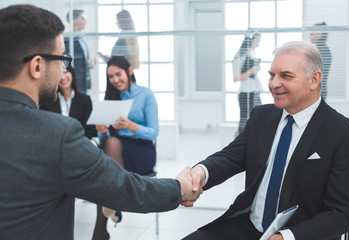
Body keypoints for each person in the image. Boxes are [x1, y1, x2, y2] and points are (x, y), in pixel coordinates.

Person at [0, 4, 199, 240]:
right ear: (36, 66)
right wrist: (178, 188)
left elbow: (150, 133)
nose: (64, 70)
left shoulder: (144, 95)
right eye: (62, 59)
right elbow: (122, 187)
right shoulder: (57, 134)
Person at [183, 41, 349, 240]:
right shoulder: (262, 116)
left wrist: (286, 237)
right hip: (248, 226)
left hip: (300, 234)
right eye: (271, 75)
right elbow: (230, 157)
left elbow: (341, 214)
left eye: (285, 76)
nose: (273, 84)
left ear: (314, 79)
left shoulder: (344, 134)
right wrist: (201, 171)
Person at [92, 55, 158, 239]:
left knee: (106, 169)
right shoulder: (111, 96)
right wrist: (102, 131)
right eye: (110, 77)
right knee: (109, 146)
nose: (115, 80)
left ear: (129, 71)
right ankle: (102, 227)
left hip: (141, 151)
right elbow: (105, 138)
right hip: (116, 150)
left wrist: (132, 127)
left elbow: (154, 132)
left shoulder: (145, 94)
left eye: (118, 74)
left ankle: (109, 211)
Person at [40, 65, 97, 139]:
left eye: (65, 72)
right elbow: (44, 128)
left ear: (72, 73)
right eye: (59, 74)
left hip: (78, 143)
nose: (63, 77)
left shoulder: (85, 100)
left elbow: (90, 130)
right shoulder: (47, 102)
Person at [232, 34, 263, 135]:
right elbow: (236, 78)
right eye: (256, 41)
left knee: (258, 117)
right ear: (250, 41)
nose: (258, 44)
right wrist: (252, 70)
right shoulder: (240, 57)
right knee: (245, 119)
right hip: (245, 93)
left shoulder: (252, 54)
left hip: (255, 91)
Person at [65, 9, 97, 93]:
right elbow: (68, 63)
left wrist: (89, 63)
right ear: (73, 21)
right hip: (75, 83)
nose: (85, 21)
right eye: (82, 19)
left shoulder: (81, 39)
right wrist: (86, 63)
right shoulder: (69, 40)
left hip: (83, 83)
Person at [310, 22, 332, 100]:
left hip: (317, 90)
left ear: (319, 34)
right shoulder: (319, 50)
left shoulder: (322, 51)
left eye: (312, 33)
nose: (310, 36)